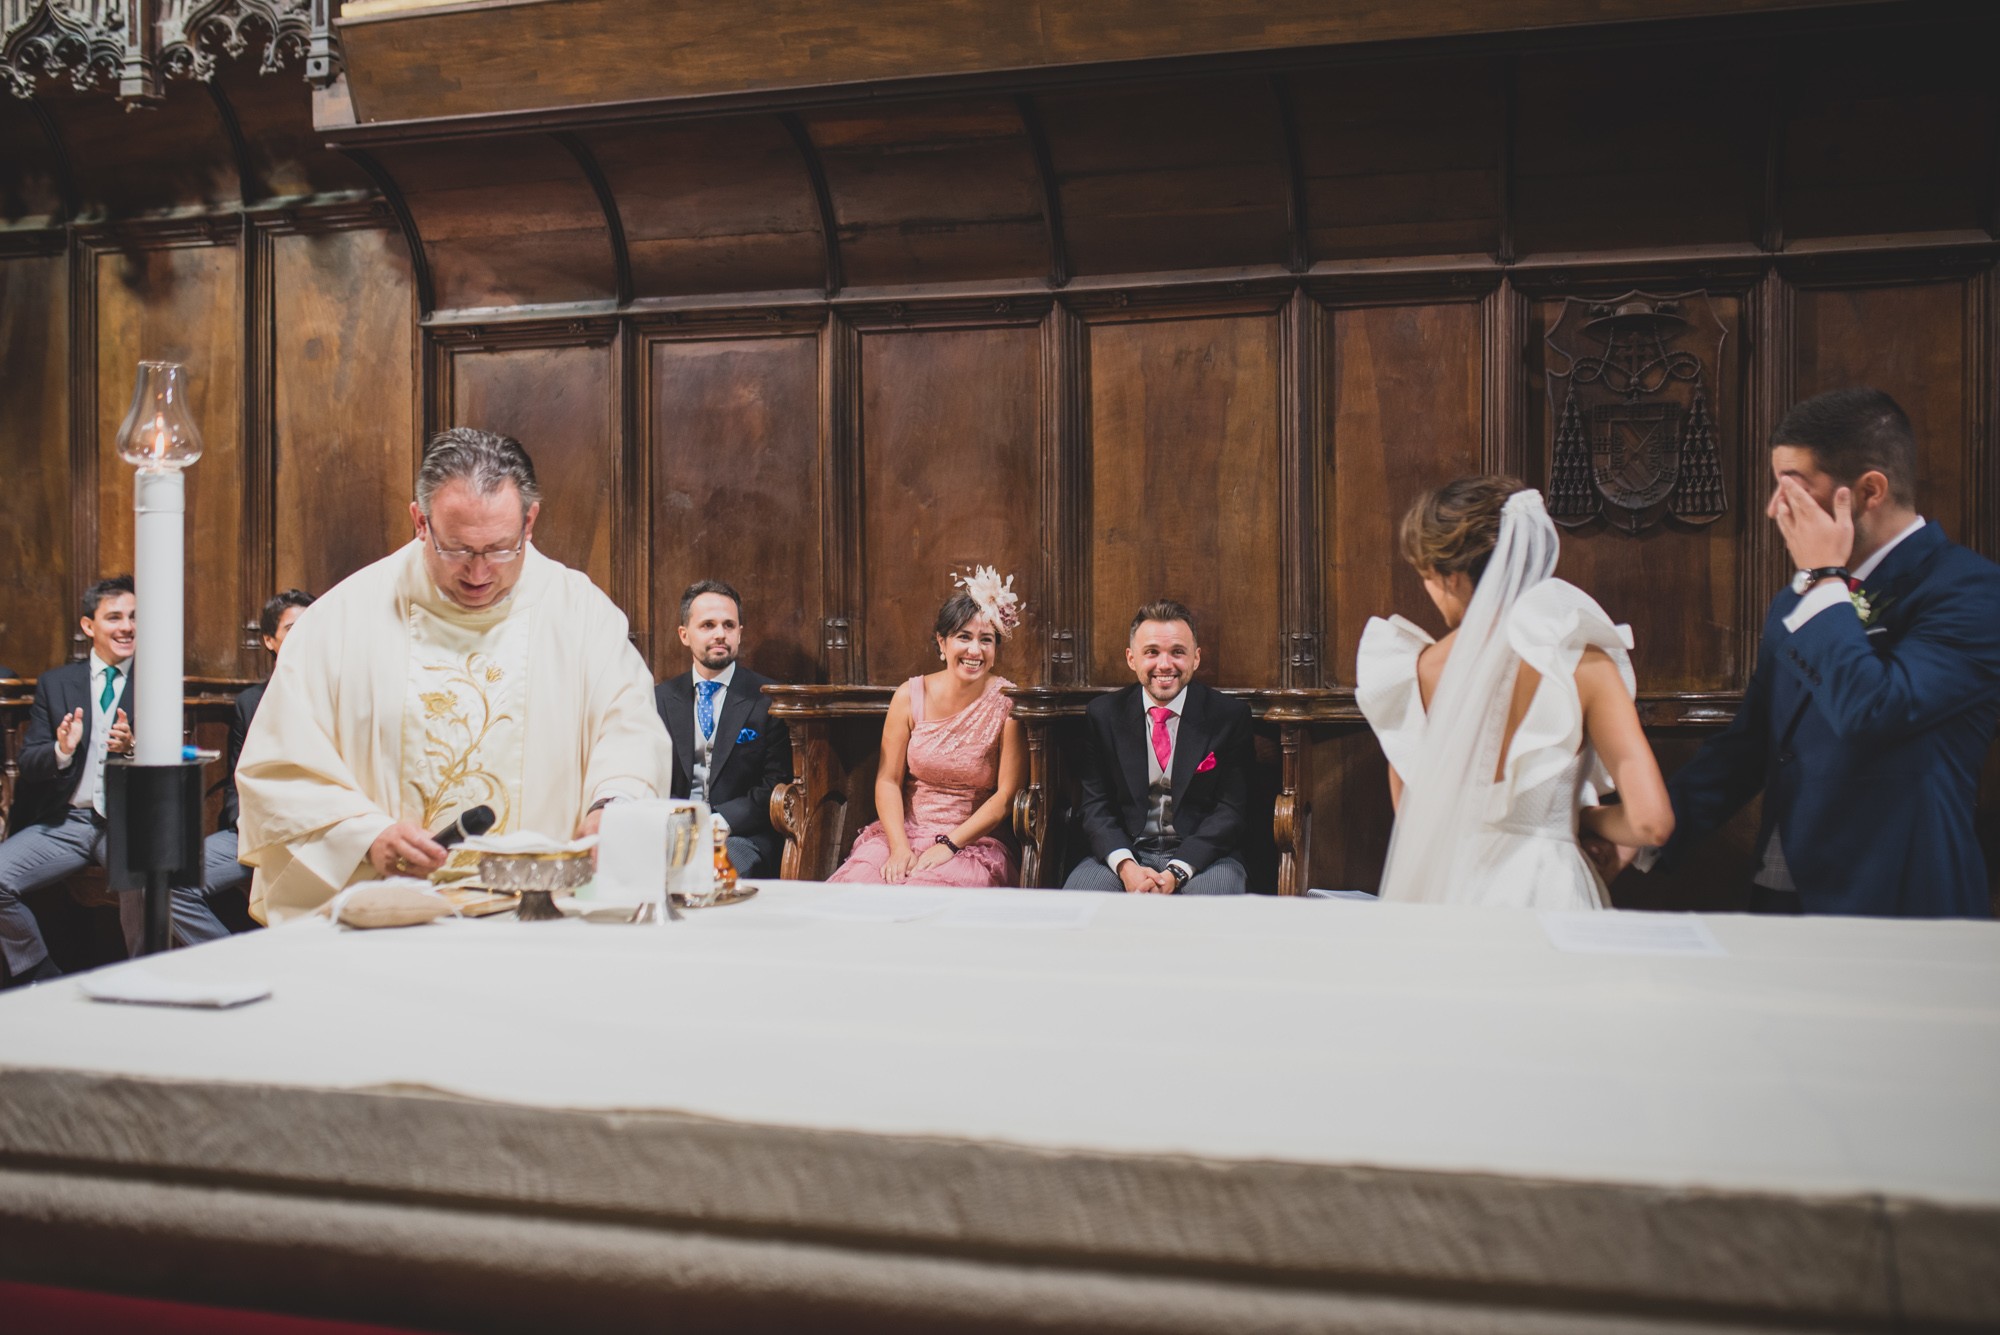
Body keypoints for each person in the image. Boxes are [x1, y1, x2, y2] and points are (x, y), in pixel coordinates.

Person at [236, 428, 673, 923]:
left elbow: (630, 729)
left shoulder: (580, 613)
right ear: (420, 521)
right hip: (394, 918)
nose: (479, 572)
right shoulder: (340, 620)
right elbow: (279, 768)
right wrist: (364, 834)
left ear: (530, 521)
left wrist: (611, 806)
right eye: (458, 549)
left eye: (501, 549)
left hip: (543, 918)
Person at [1616, 388, 2000, 916]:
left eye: (1794, 489)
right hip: (1781, 893)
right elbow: (1751, 745)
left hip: (1898, 896)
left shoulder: (1972, 592)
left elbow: (1874, 711)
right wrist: (1634, 834)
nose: (1776, 509)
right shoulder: (1798, 597)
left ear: (1868, 491)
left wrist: (1825, 580)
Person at [1356, 478, 1672, 909]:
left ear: (1451, 578)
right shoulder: (1585, 661)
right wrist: (1583, 820)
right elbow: (1651, 823)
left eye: (1426, 577)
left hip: (1450, 892)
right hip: (1550, 891)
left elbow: (1414, 823)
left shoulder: (1416, 672)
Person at [0, 577, 226, 986]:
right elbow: (32, 762)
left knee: (143, 881)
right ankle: (40, 976)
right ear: (89, 626)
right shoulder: (56, 684)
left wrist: (135, 746)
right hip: (67, 823)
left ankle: (146, 981)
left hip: (128, 822)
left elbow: (177, 762)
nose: (127, 627)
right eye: (115, 617)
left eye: (134, 617)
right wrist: (62, 749)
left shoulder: (157, 680)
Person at [829, 568, 1023, 887]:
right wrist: (899, 847)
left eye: (986, 640)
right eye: (964, 637)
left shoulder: (1008, 704)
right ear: (942, 642)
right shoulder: (909, 695)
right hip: (903, 832)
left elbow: (1005, 797)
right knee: (860, 889)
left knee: (929, 895)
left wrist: (949, 845)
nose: (975, 651)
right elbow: (888, 780)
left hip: (972, 842)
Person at [1063, 600, 1254, 895]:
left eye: (1177, 652)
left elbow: (1231, 811)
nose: (1164, 665)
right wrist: (1126, 866)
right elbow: (1094, 806)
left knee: (1214, 909)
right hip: (1124, 850)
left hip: (1205, 857)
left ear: (1195, 658)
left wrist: (1178, 870)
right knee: (1079, 899)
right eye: (1152, 652)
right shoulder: (1103, 715)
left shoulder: (1228, 716)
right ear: (1131, 658)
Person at [655, 579, 790, 878]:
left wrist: (720, 821)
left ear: (740, 634)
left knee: (710, 873)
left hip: (740, 835)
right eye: (708, 625)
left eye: (729, 625)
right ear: (684, 634)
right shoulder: (658, 700)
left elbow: (776, 785)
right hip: (669, 832)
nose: (720, 634)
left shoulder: (769, 698)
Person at [200, 589, 316, 920]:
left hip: (317, 834)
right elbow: (238, 779)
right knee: (165, 883)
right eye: (293, 629)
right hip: (256, 833)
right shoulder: (249, 703)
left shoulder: (340, 693)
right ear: (269, 640)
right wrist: (248, 826)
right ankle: (227, 964)